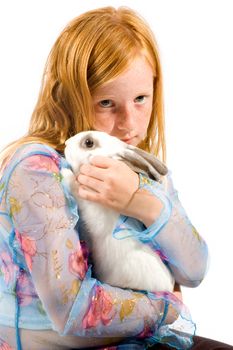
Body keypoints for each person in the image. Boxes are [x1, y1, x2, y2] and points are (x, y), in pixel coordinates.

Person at [0, 6, 231, 350]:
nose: (129, 124)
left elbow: (194, 269)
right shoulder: (37, 169)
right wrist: (167, 307)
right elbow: (70, 309)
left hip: (132, 339)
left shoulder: (134, 164)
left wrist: (140, 201)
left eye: (140, 99)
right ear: (70, 97)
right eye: (107, 102)